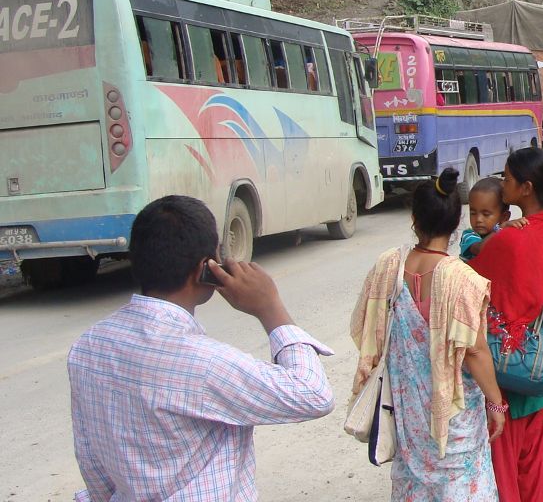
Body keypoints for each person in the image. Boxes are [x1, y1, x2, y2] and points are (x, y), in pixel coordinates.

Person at [68, 196, 334, 501]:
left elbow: (91, 463)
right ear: (205, 269)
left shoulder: (88, 347)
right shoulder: (205, 363)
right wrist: (270, 309)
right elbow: (314, 395)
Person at [352, 170, 506, 500]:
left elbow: (366, 329)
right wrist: (496, 402)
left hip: (408, 412)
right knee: (459, 485)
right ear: (455, 222)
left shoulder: (387, 266)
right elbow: (475, 351)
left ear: (413, 217)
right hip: (453, 413)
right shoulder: (462, 279)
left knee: (415, 484)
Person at [467, 148, 543, 502]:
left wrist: (489, 238)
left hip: (506, 368)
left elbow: (465, 280)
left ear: (525, 187)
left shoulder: (508, 239)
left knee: (503, 467)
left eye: (507, 178)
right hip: (540, 358)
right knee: (532, 462)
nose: (502, 182)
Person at [461, 177, 514, 261]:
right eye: (473, 213)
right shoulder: (469, 235)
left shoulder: (504, 236)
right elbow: (480, 249)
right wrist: (498, 229)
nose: (478, 219)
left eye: (486, 214)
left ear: (504, 217)